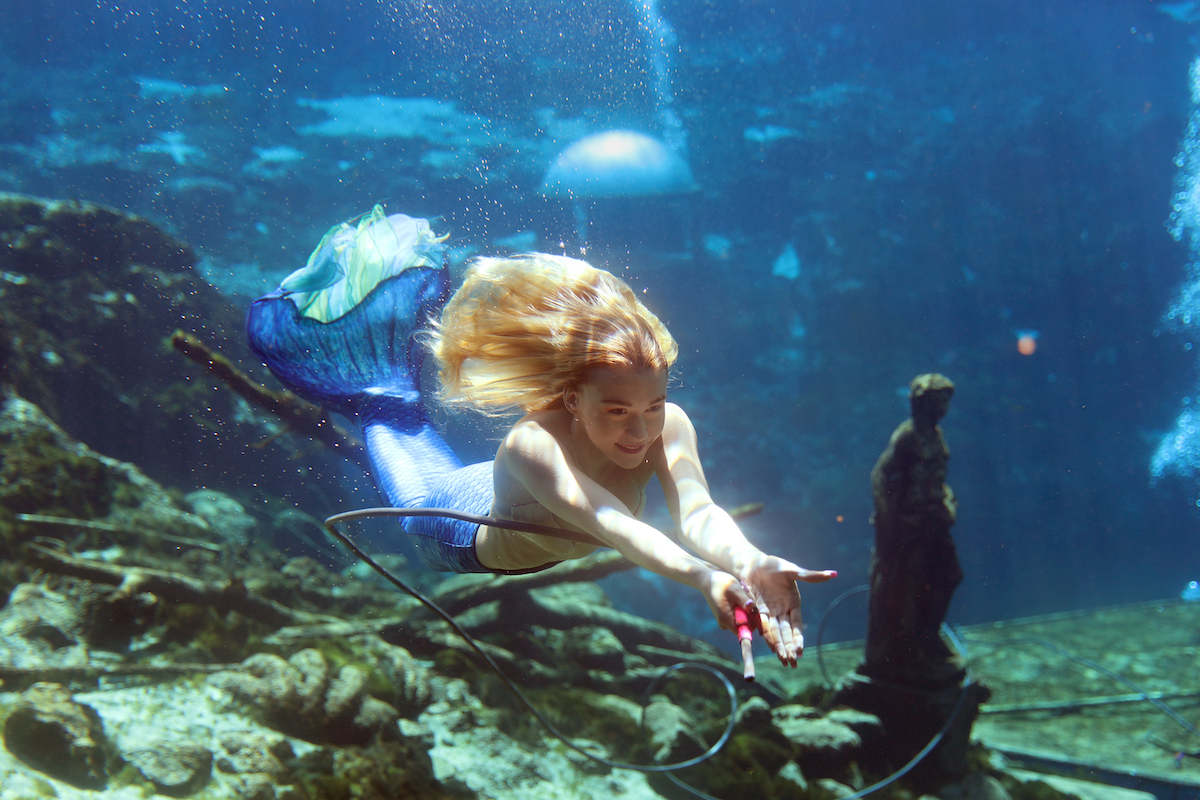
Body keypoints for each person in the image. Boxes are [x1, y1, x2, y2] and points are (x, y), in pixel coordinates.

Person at [247, 206, 835, 666]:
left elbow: (698, 510)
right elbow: (609, 523)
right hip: (450, 523)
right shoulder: (533, 445)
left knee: (412, 423)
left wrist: (750, 561)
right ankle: (370, 377)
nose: (640, 429)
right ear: (572, 399)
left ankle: (386, 383)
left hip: (505, 495)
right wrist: (703, 576)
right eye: (616, 410)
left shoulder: (668, 424)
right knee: (391, 413)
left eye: (653, 404)